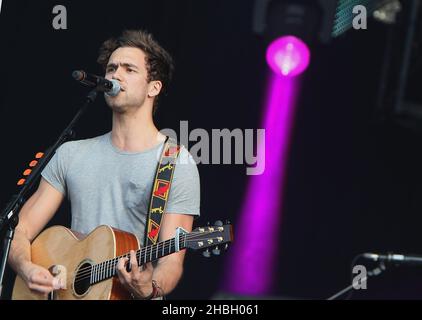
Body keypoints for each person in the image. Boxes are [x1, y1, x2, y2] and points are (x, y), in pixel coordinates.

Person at [7, 29, 200, 299]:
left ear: (153, 87)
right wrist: (27, 269)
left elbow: (172, 261)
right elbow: (21, 228)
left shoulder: (175, 162)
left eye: (129, 69)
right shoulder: (71, 154)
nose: (114, 75)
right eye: (111, 68)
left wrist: (149, 287)